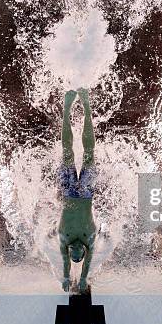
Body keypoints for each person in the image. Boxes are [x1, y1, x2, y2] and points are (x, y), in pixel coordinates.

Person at [58, 88, 97, 293]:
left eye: (72, 254)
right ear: (83, 253)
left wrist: (66, 278)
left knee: (67, 151)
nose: (74, 252)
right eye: (78, 255)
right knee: (89, 153)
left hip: (67, 191)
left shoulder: (63, 240)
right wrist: (83, 279)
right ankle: (86, 105)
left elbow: (66, 263)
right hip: (86, 193)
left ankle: (67, 108)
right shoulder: (89, 239)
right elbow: (88, 263)